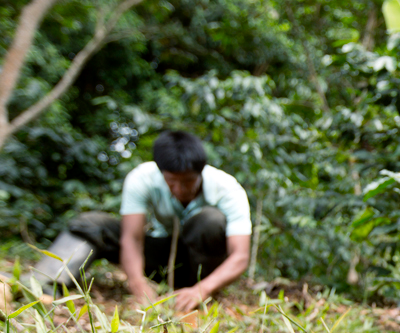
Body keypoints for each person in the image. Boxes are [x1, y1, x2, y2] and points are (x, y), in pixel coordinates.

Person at [28, 130, 251, 314]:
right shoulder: (142, 178)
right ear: (161, 171)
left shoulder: (227, 188)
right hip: (160, 257)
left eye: (188, 181)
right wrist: (137, 283)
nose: (180, 189)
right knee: (92, 223)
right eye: (172, 181)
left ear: (201, 172)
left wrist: (202, 289)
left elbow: (240, 255)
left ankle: (192, 289)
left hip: (201, 266)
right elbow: (131, 239)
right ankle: (43, 284)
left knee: (210, 220)